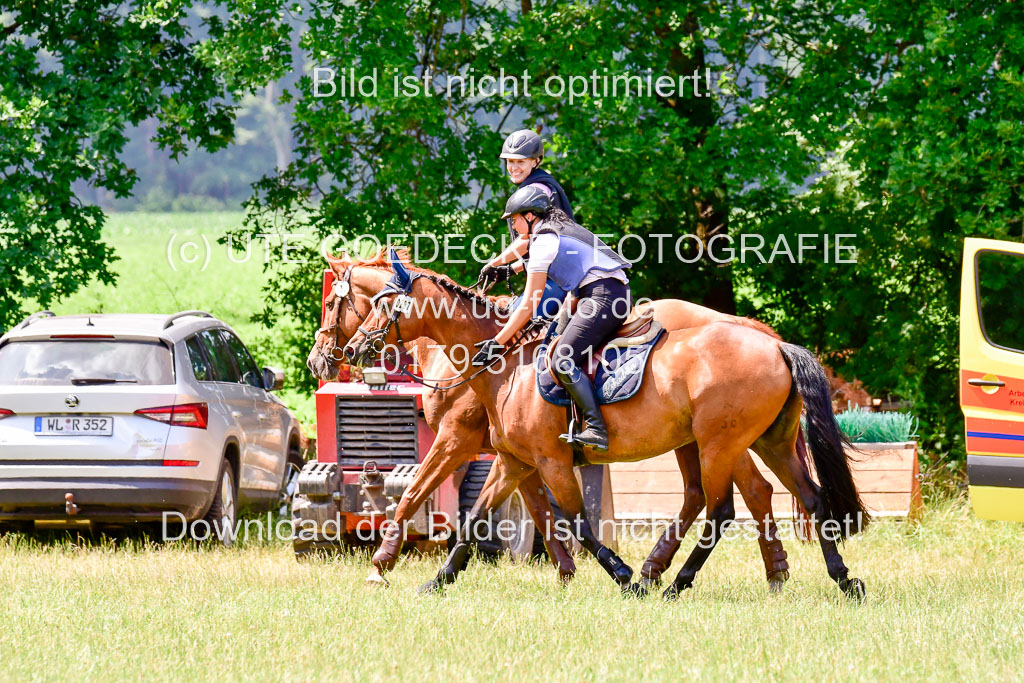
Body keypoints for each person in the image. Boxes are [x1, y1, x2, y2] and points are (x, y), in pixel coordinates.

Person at [471, 185, 632, 453]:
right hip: (598, 293)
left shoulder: (544, 240)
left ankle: (596, 427)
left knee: (562, 358)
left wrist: (497, 342)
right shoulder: (552, 230)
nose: (512, 224)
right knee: (552, 339)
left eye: (514, 218)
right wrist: (505, 270)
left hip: (602, 297)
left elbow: (529, 305)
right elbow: (536, 256)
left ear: (530, 216)